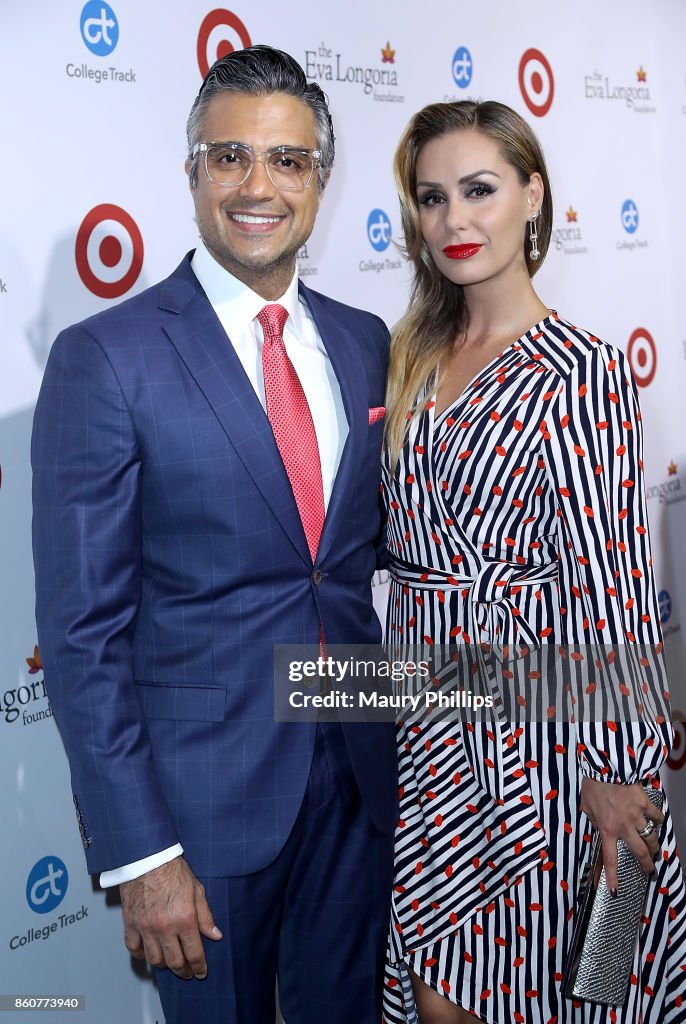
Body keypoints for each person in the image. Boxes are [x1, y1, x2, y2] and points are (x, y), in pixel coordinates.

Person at [31, 45, 397, 1024]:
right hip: (200, 811)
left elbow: (350, 567)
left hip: (358, 783)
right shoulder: (106, 357)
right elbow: (81, 635)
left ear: (320, 179)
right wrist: (142, 852)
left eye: (286, 160)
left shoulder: (366, 341)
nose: (257, 186)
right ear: (191, 171)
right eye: (227, 156)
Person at [381, 100, 686, 1024]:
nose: (454, 221)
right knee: (441, 995)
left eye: (479, 190)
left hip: (552, 732)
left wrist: (612, 770)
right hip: (427, 720)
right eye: (432, 198)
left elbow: (613, 586)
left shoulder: (582, 368)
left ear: (532, 196)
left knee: (587, 981)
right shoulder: (406, 357)